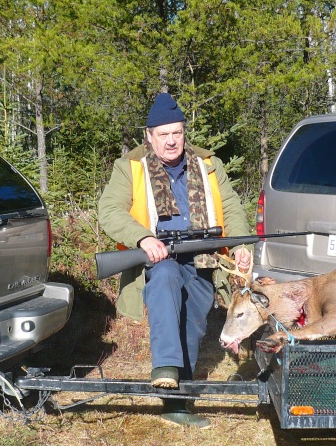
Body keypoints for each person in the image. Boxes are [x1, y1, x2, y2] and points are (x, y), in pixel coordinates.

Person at [98, 92, 252, 428]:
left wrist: (240, 246)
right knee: (166, 278)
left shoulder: (208, 165)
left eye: (177, 133)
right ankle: (166, 370)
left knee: (194, 323)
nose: (171, 141)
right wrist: (144, 237)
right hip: (157, 257)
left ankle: (176, 402)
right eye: (163, 134)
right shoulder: (130, 167)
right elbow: (109, 210)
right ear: (149, 136)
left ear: (184, 133)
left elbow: (231, 208)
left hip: (202, 257)